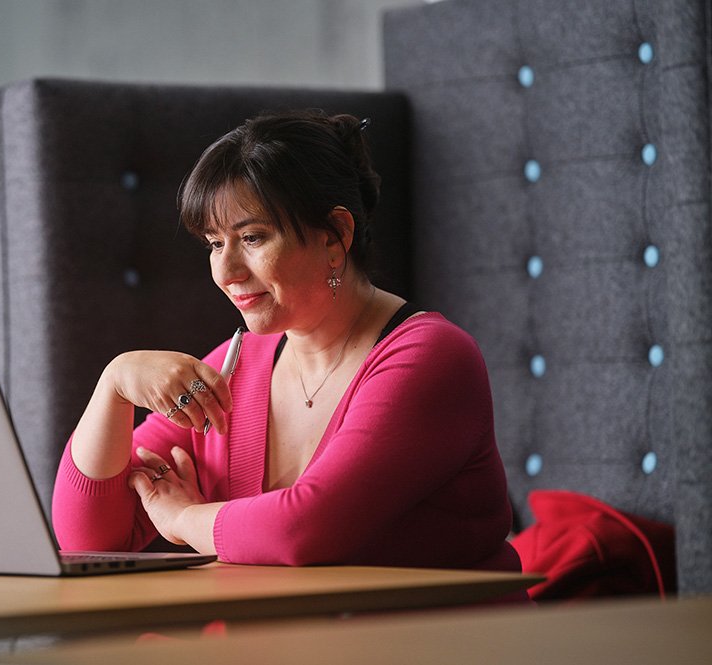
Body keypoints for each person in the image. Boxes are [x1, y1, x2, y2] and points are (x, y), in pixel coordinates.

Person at [52, 109, 522, 574]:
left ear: (335, 235)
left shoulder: (430, 358)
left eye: (252, 237)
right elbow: (88, 540)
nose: (226, 271)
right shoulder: (236, 368)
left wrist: (183, 519)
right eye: (216, 244)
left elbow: (302, 529)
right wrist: (113, 385)